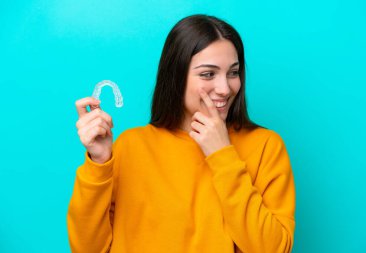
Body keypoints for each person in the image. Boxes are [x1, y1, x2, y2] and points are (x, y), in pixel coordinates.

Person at [68, 14, 296, 253]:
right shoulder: (131, 146)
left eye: (233, 72)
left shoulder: (265, 146)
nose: (225, 88)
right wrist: (99, 162)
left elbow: (273, 249)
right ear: (176, 76)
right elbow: (87, 249)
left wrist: (222, 155)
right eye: (208, 74)